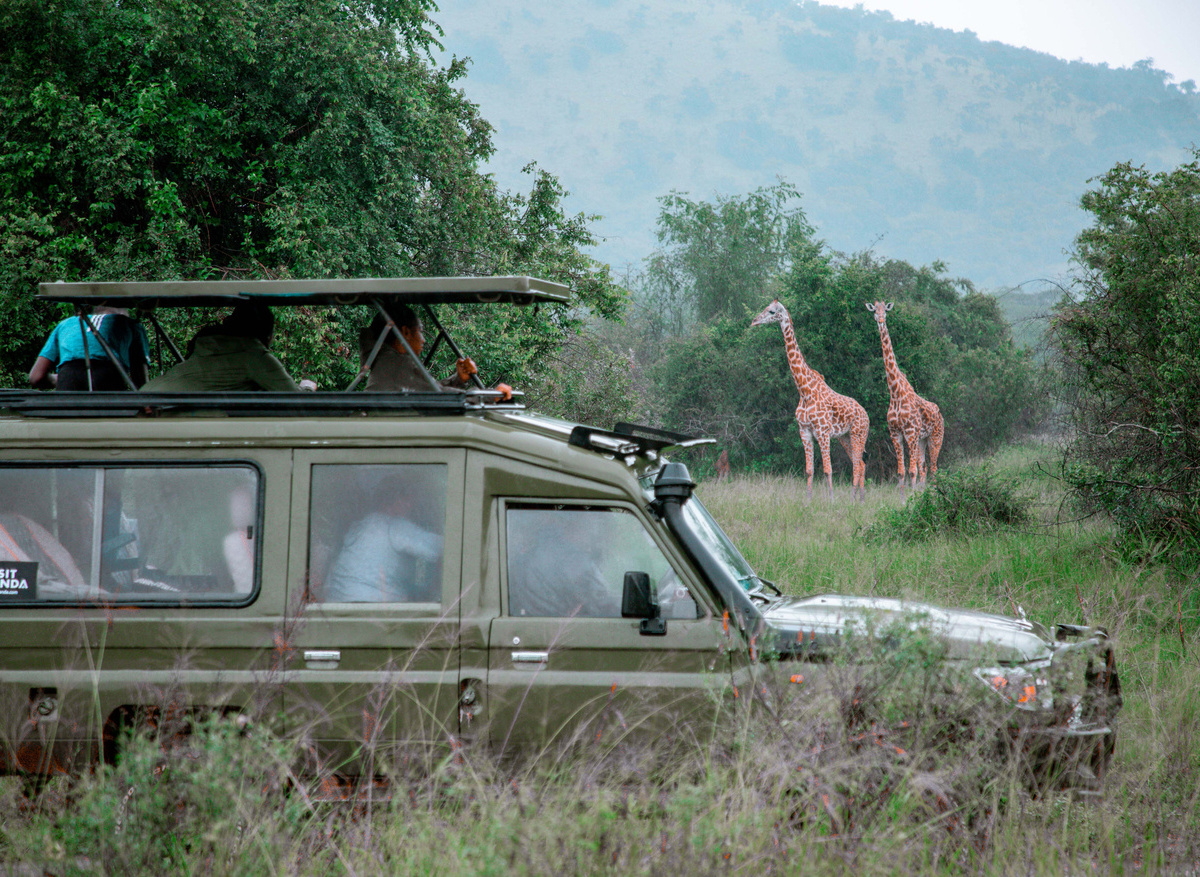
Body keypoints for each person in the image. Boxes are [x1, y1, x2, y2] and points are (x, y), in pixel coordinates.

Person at [359, 304, 512, 399]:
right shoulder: (397, 364)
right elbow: (441, 397)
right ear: (405, 332)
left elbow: (429, 392)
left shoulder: (386, 362)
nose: (424, 340)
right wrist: (492, 396)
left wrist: (458, 379)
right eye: (420, 331)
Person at [141, 301, 300, 392]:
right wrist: (307, 388)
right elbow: (294, 398)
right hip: (157, 408)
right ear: (267, 335)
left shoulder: (208, 344)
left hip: (146, 395)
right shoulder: (253, 356)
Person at [321, 487, 443, 603]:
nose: (410, 507)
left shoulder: (357, 527)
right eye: (406, 500)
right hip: (373, 608)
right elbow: (444, 547)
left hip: (336, 605)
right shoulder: (394, 526)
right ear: (392, 501)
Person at [29, 306, 150, 391]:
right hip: (109, 381)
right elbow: (141, 382)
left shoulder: (65, 324)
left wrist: (56, 379)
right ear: (123, 313)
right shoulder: (131, 325)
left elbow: (35, 377)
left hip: (68, 381)